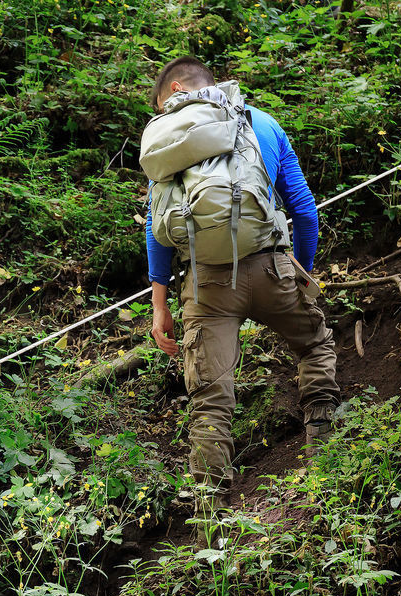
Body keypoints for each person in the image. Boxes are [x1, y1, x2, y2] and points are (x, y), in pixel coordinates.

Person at [145, 57, 339, 509]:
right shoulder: (262, 123)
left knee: (210, 399)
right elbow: (305, 211)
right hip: (271, 267)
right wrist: (298, 269)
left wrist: (160, 306)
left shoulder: (168, 136)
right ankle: (324, 454)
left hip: (206, 285)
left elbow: (157, 231)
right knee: (313, 346)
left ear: (175, 89)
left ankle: (210, 520)